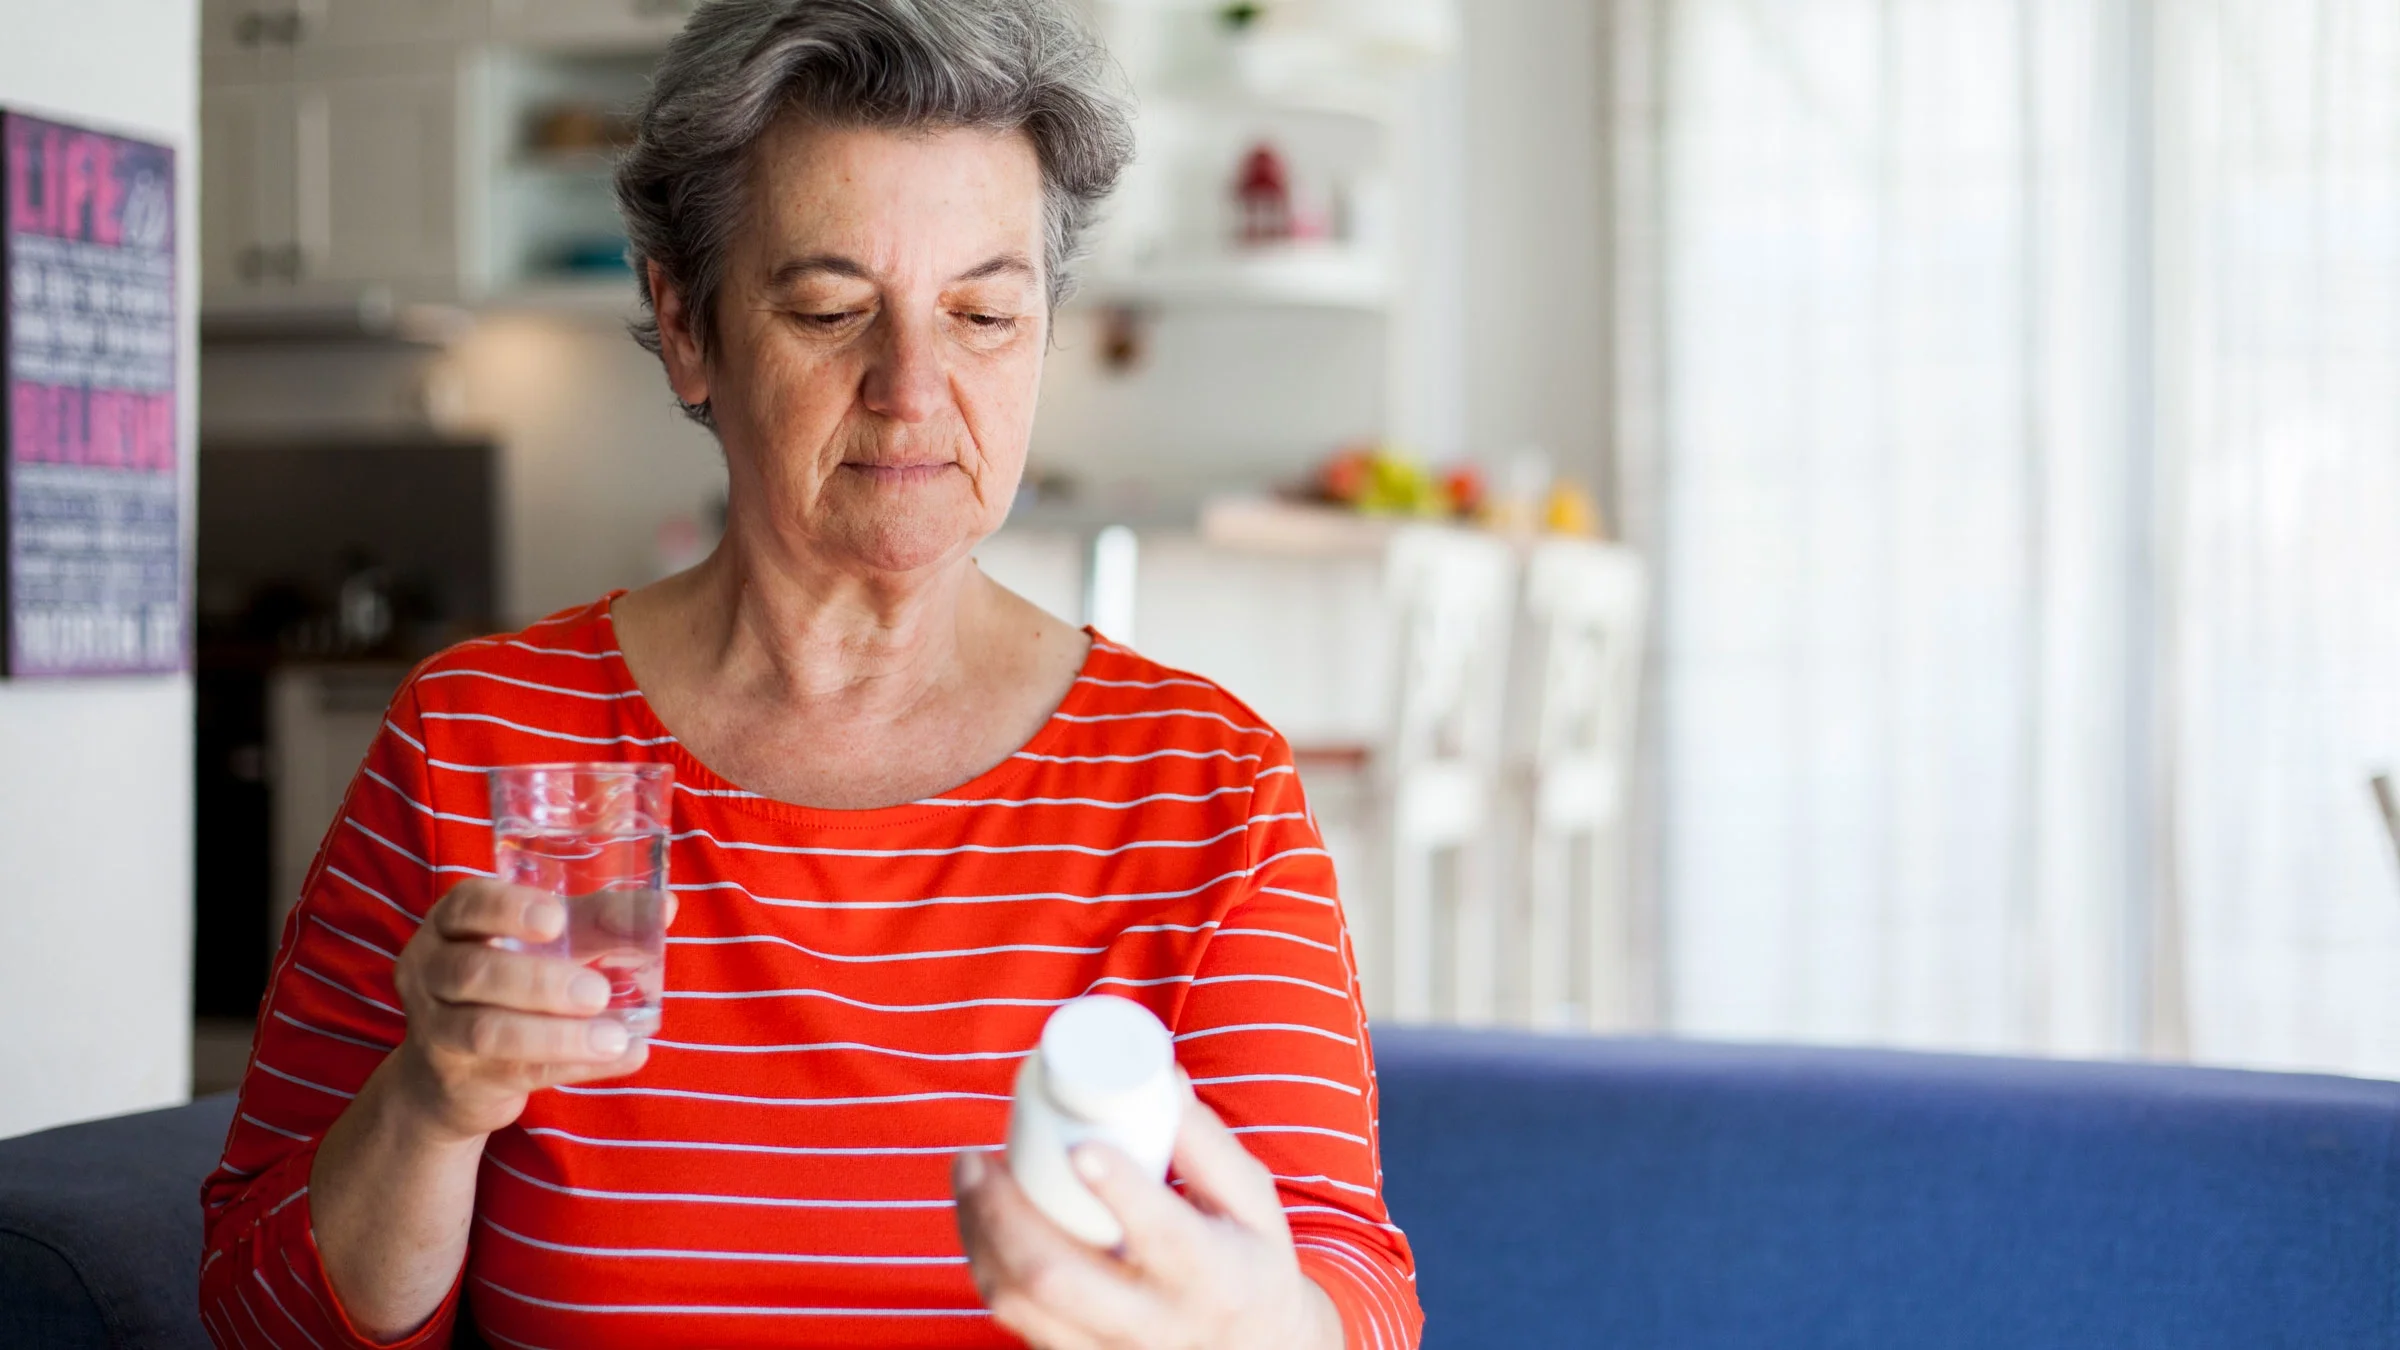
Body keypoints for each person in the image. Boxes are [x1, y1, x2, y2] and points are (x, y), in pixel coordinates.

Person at [197, 2, 1422, 1347]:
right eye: (833, 308)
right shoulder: (477, 741)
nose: (912, 384)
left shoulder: (1205, 788)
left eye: (984, 311)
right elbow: (263, 1316)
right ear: (685, 324)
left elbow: (1350, 1292)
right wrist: (433, 1100)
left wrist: (1258, 1325)